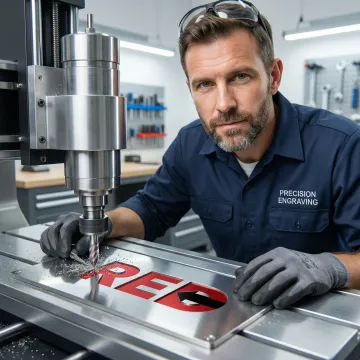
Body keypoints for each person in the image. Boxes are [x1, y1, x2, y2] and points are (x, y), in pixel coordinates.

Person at [40, 0, 360, 309]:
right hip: (231, 312)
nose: (224, 104)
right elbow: (152, 208)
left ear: (273, 76)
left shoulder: (341, 146)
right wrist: (103, 222)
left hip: (322, 323)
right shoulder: (190, 144)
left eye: (240, 77)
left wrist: (327, 268)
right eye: (205, 84)